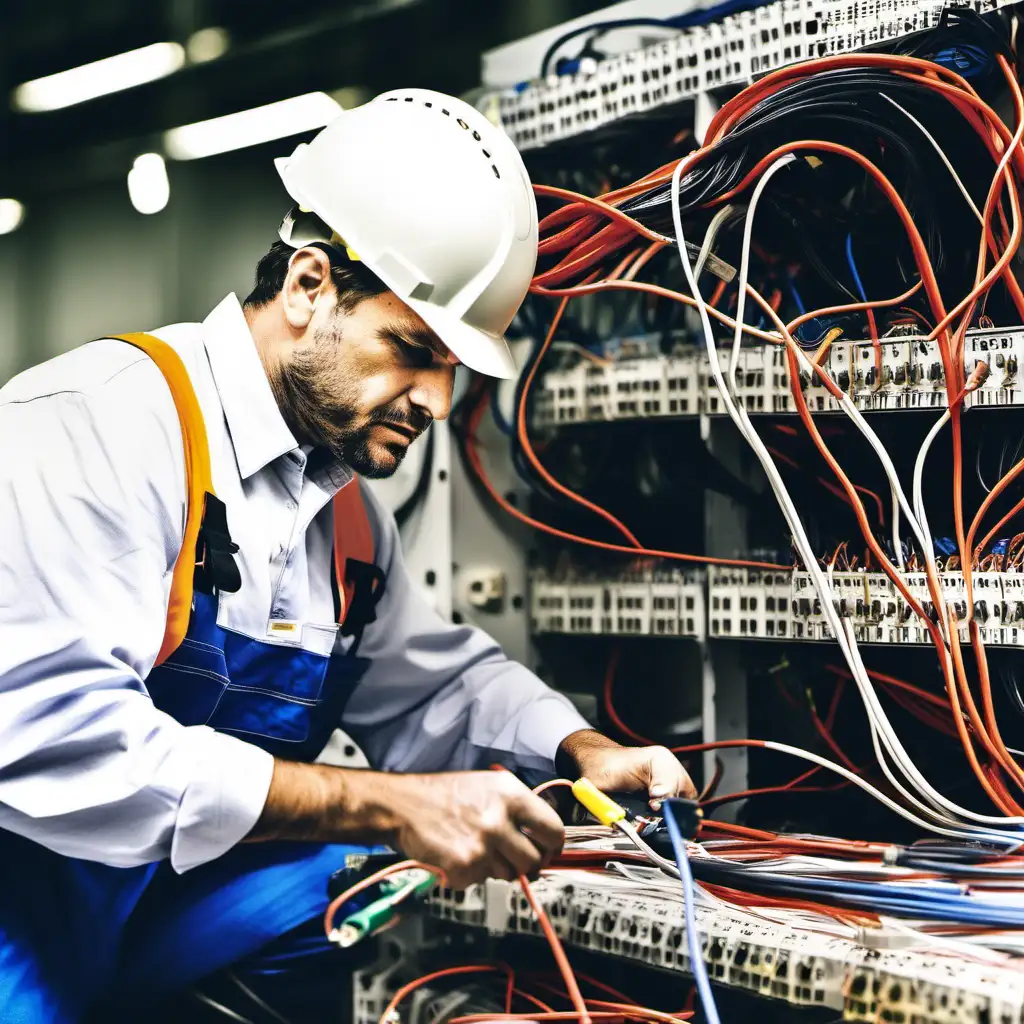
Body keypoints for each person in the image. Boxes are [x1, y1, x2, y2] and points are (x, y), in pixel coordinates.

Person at [0, 88, 694, 1022]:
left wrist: (579, 745)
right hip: (20, 908)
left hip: (147, 910)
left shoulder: (346, 517)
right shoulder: (95, 428)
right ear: (308, 286)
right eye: (412, 348)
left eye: (452, 369)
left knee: (349, 881)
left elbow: (428, 687)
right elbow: (52, 742)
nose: (436, 403)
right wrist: (388, 803)